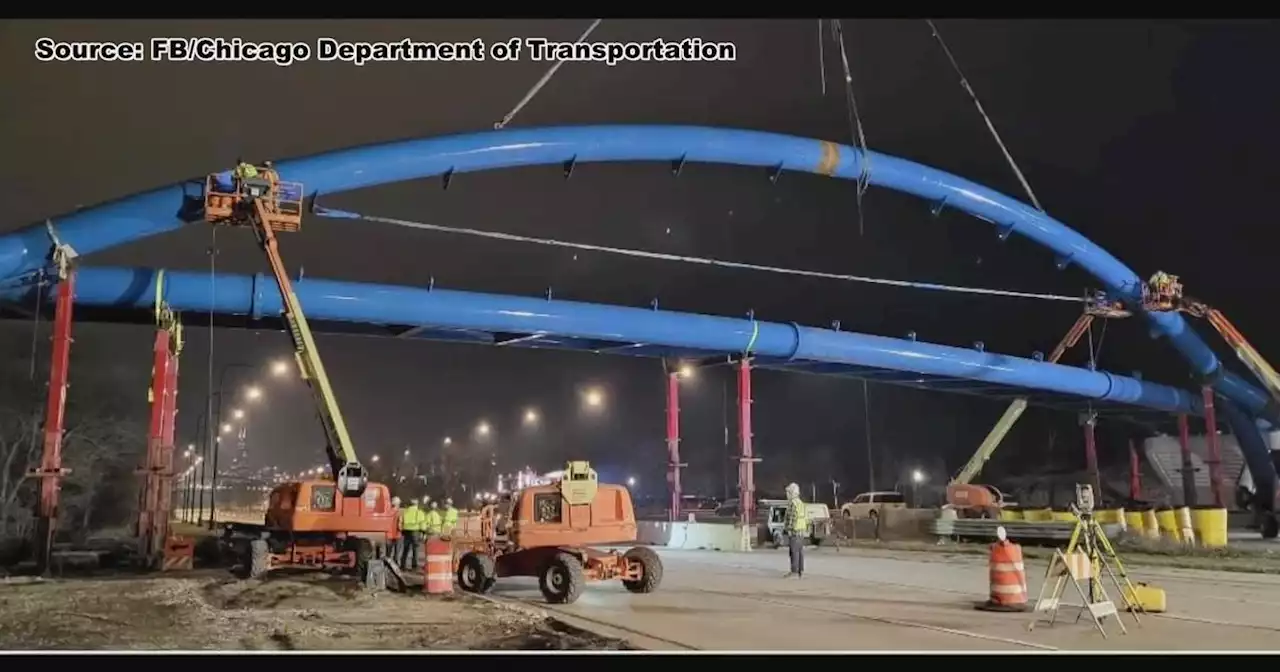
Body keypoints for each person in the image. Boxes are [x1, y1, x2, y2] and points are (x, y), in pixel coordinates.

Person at [782, 482, 808, 579]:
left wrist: (788, 529)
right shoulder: (800, 502)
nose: (787, 494)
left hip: (794, 531)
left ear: (792, 493)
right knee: (800, 552)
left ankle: (794, 572)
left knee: (794, 552)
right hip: (801, 530)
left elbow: (792, 518)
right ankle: (800, 571)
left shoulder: (793, 503)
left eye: (788, 492)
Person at [399, 497, 425, 569]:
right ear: (416, 504)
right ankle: (414, 565)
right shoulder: (419, 512)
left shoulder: (405, 512)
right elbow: (422, 523)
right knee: (415, 549)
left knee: (405, 549)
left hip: (406, 531)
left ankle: (402, 565)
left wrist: (402, 530)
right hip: (415, 531)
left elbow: (401, 522)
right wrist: (423, 532)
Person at [388, 496, 403, 563]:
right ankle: (395, 564)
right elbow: (399, 525)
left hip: (389, 534)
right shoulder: (399, 512)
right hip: (397, 534)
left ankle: (387, 565)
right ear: (398, 504)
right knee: (396, 552)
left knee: (388, 552)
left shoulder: (388, 512)